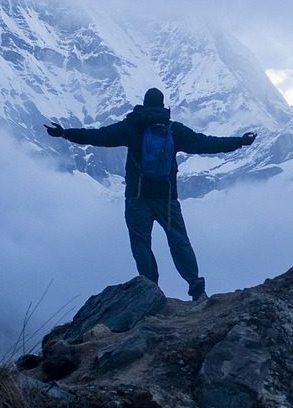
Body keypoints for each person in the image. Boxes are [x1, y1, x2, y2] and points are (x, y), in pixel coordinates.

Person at [45, 88, 255, 300]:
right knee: (179, 240)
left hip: (137, 198)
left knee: (141, 242)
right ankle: (196, 289)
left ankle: (150, 290)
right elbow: (207, 143)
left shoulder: (131, 127)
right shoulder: (174, 130)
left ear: (144, 104)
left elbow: (98, 136)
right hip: (167, 198)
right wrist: (239, 142)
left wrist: (64, 133)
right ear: (163, 106)